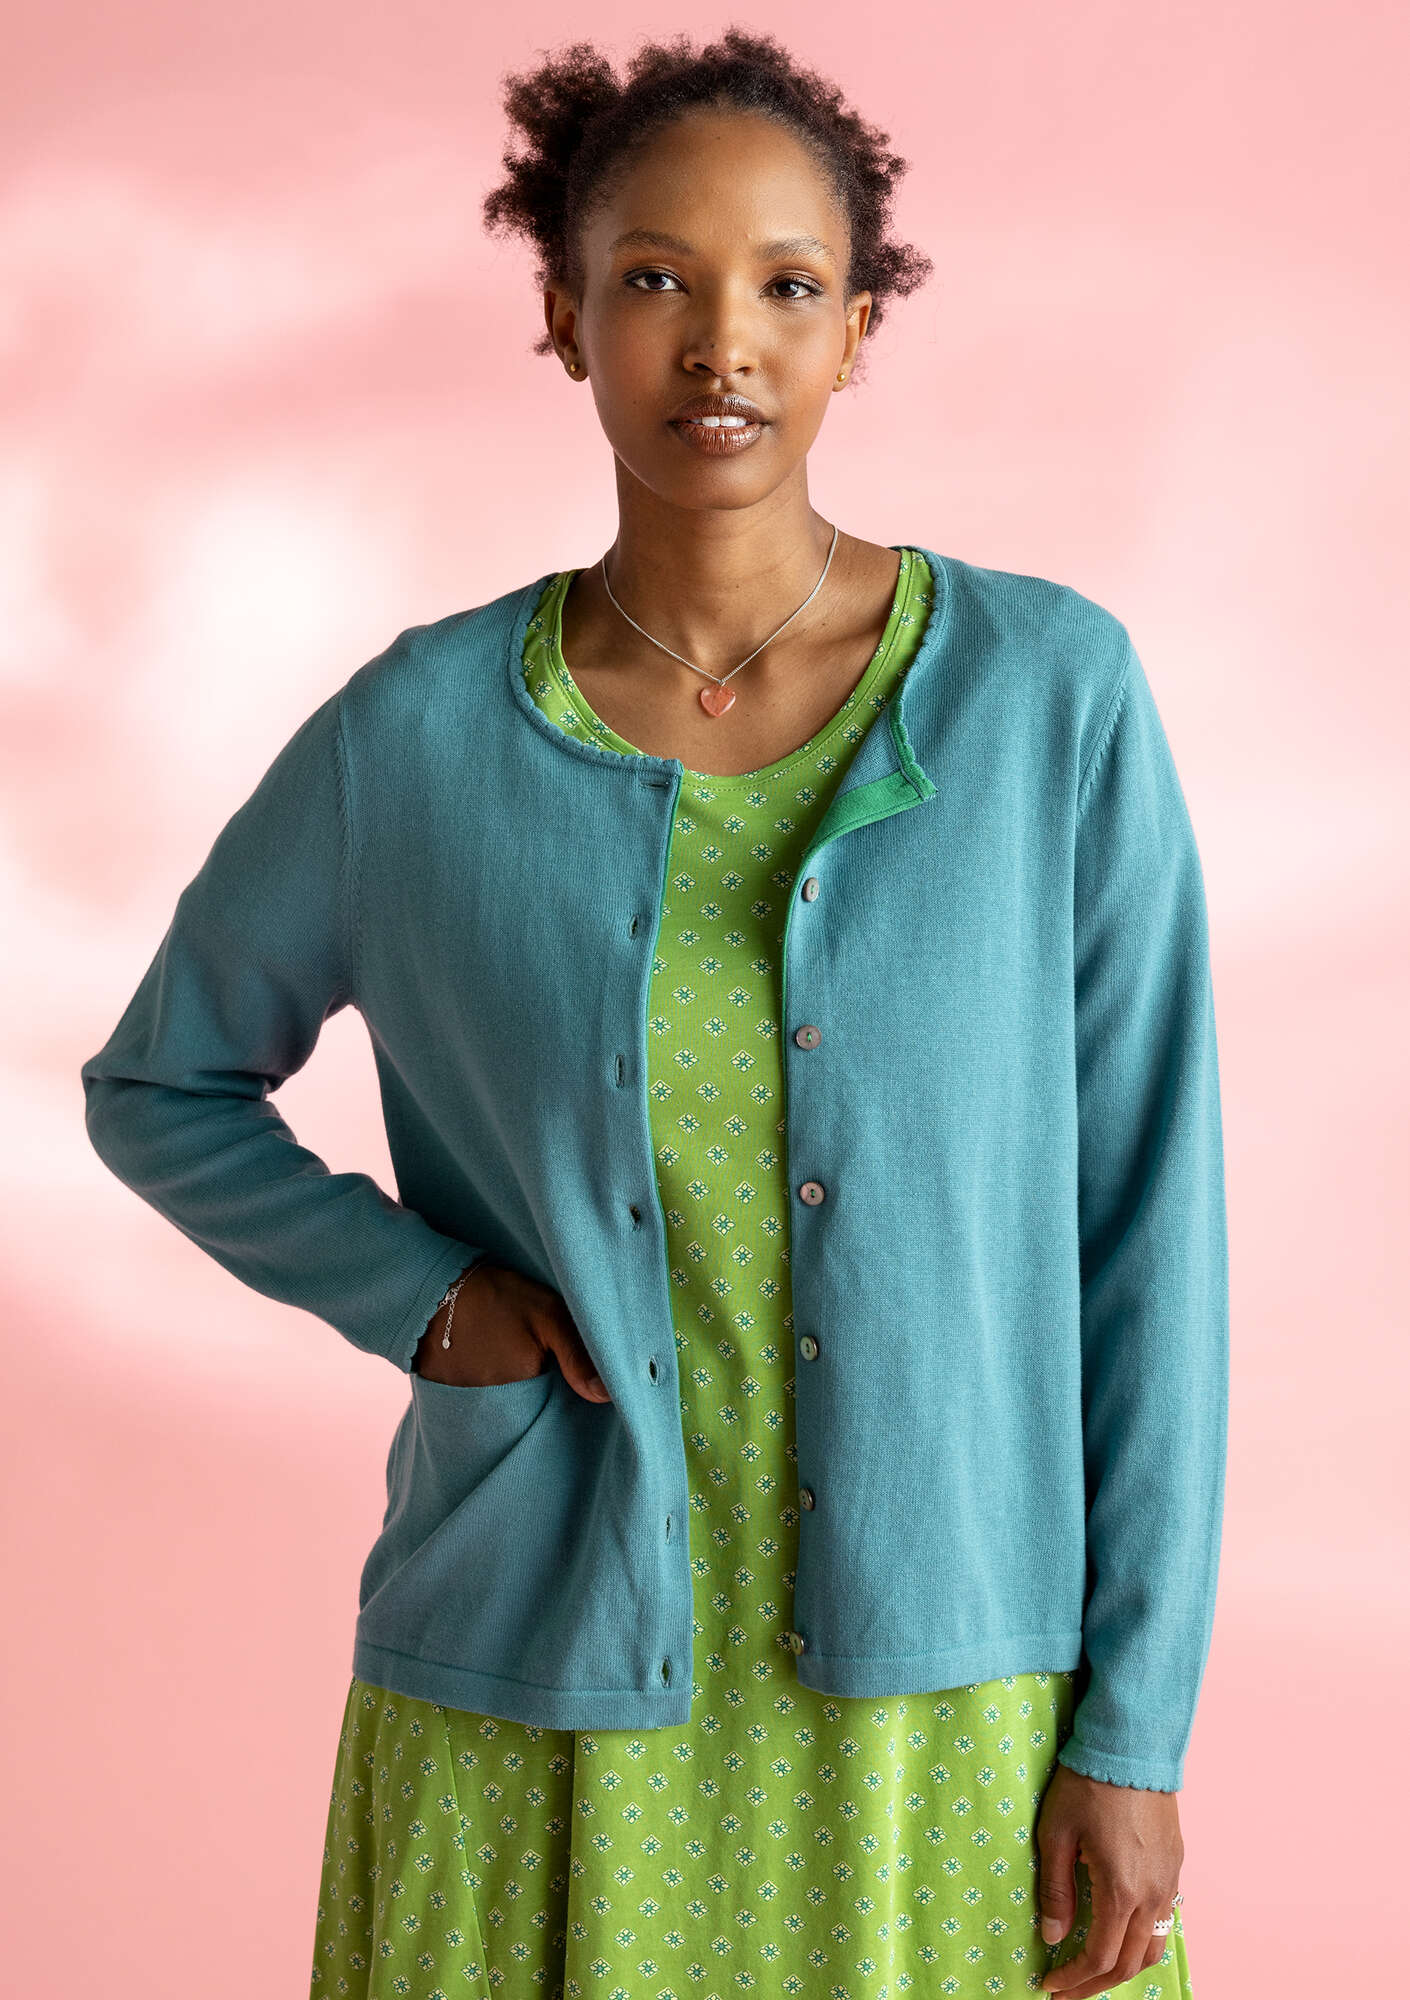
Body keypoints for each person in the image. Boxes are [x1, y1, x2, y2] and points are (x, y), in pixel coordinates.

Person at [81, 27, 1225, 1999]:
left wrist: (1131, 1726)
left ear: (858, 328)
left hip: (948, 1703)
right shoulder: (414, 737)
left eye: (786, 285)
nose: (722, 345)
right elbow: (159, 1082)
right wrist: (423, 1298)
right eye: (655, 280)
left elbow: (1148, 1230)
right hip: (536, 1679)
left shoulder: (1051, 699)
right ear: (563, 315)